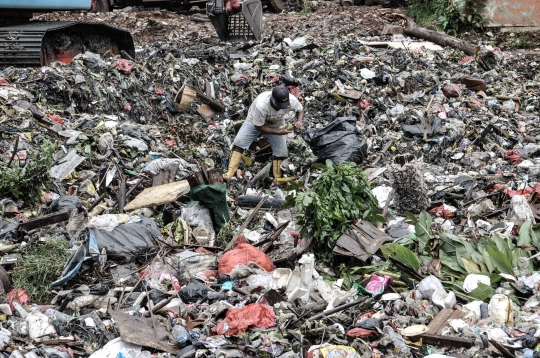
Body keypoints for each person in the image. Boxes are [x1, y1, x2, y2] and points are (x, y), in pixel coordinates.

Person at [223, 85, 304, 181]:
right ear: (273, 100)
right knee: (239, 142)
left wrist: (299, 121)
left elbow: (300, 109)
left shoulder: (291, 100)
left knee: (281, 153)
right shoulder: (262, 105)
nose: (283, 107)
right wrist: (278, 132)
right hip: (255, 121)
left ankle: (277, 179)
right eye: (280, 105)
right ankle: (230, 173)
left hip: (277, 122)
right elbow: (259, 127)